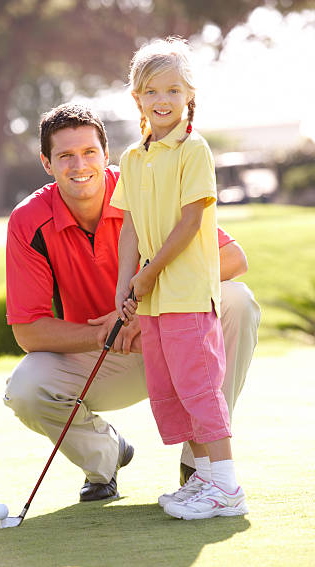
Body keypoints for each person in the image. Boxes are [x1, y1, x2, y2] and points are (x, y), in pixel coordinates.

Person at [4, 101, 260, 505]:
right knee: (25, 388)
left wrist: (146, 310)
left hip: (175, 334)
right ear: (46, 163)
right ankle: (105, 457)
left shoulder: (144, 184)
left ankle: (202, 458)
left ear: (106, 155)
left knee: (237, 302)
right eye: (65, 156)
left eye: (89, 152)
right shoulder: (28, 220)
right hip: (105, 355)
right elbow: (28, 330)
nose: (79, 165)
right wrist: (104, 329)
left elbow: (232, 259)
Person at [112, 37, 251, 520]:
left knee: (199, 386)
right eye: (152, 91)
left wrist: (147, 275)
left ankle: (227, 488)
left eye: (174, 89)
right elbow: (129, 226)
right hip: (152, 300)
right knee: (170, 389)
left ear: (189, 95)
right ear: (137, 99)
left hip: (186, 294)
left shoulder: (194, 149)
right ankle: (206, 482)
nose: (163, 99)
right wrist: (123, 284)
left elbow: (191, 221)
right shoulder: (132, 158)